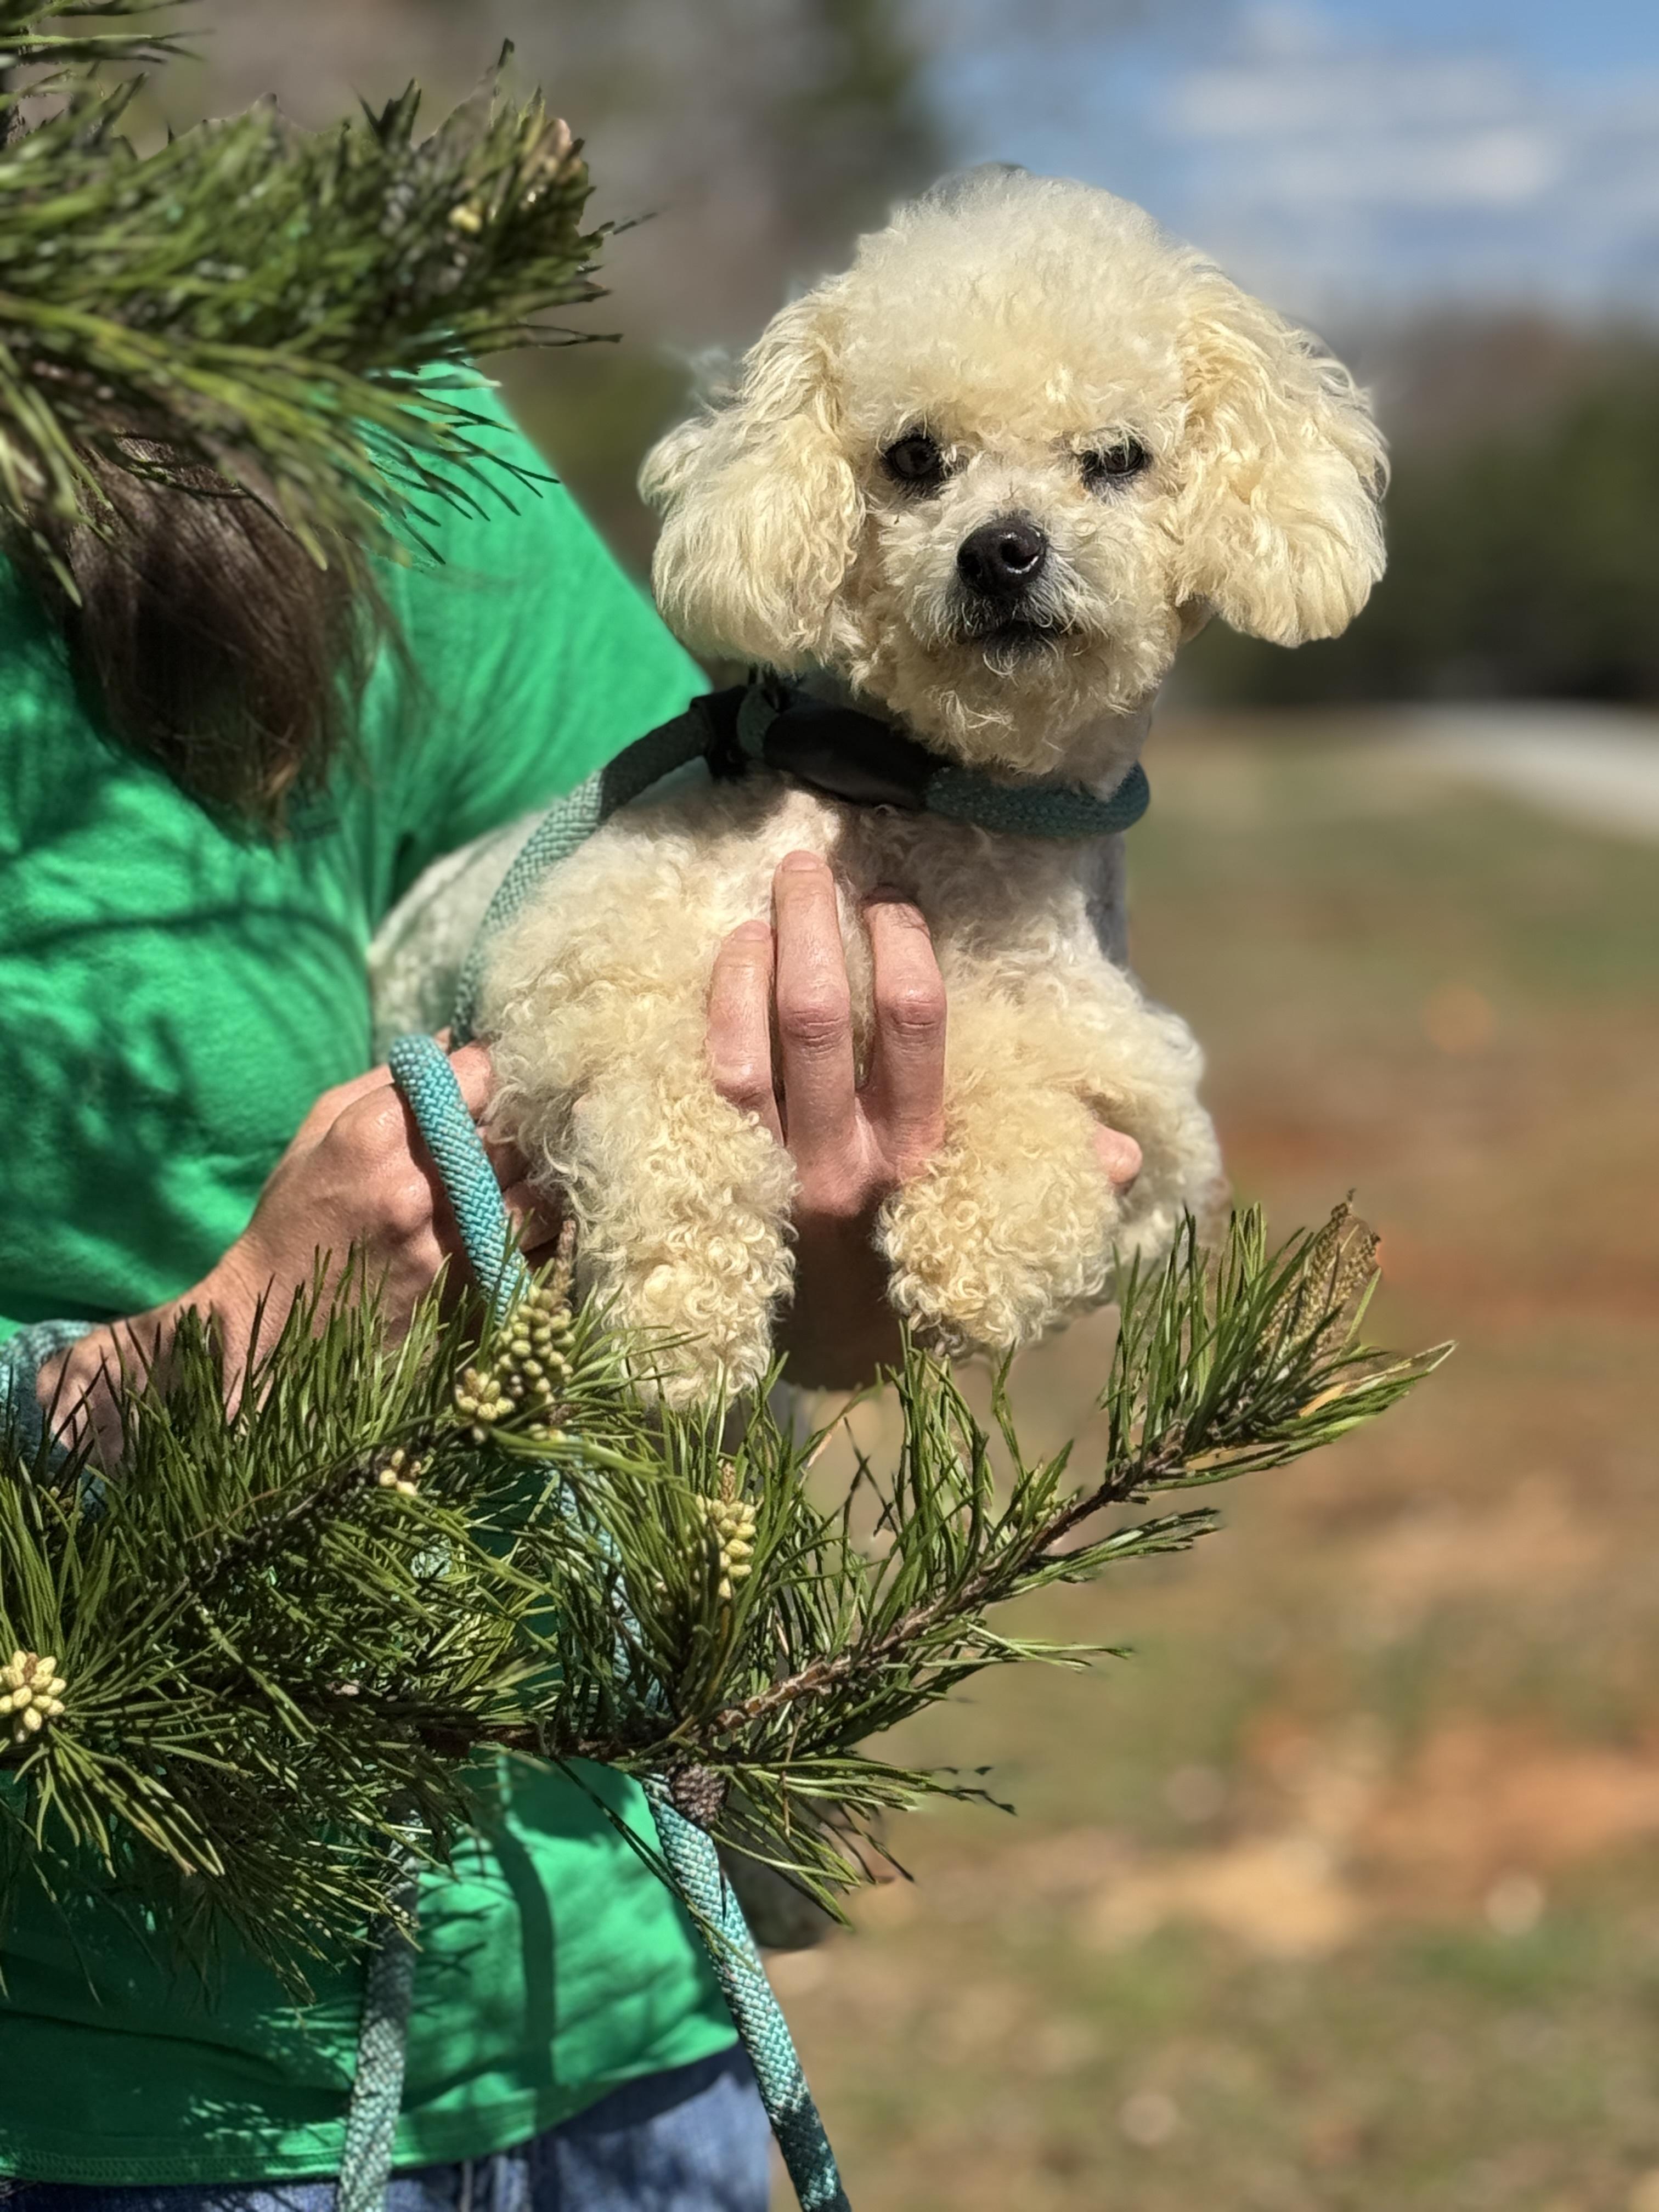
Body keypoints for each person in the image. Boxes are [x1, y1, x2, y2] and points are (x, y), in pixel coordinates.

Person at [0, 376, 1141, 2210]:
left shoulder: (363, 398)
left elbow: (800, 1290)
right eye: (920, 461)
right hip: (105, 2092)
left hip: (622, 1984)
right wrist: (188, 1366)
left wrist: (838, 1272)